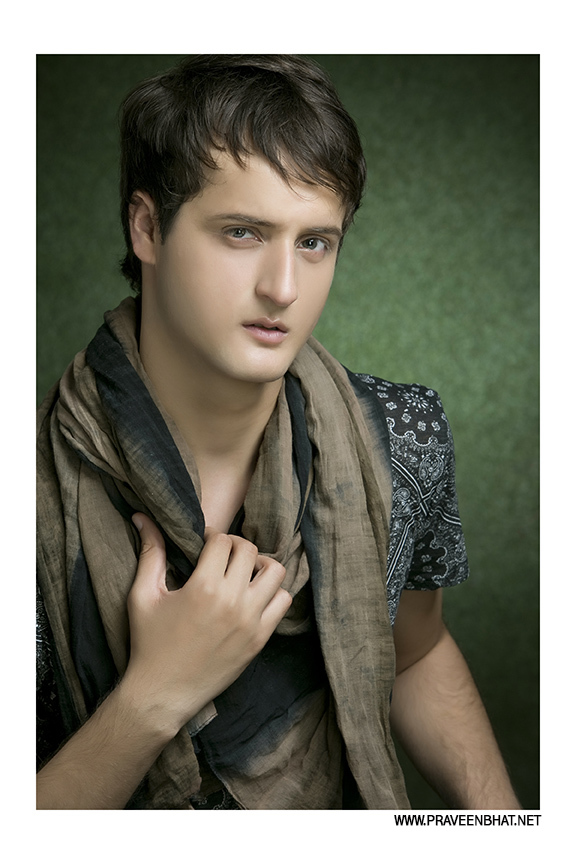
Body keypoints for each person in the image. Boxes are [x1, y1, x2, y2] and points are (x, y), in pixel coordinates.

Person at [36, 54, 521, 810]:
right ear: (147, 227)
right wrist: (156, 694)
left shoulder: (400, 435)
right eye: (242, 232)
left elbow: (416, 650)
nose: (284, 288)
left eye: (314, 242)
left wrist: (507, 832)